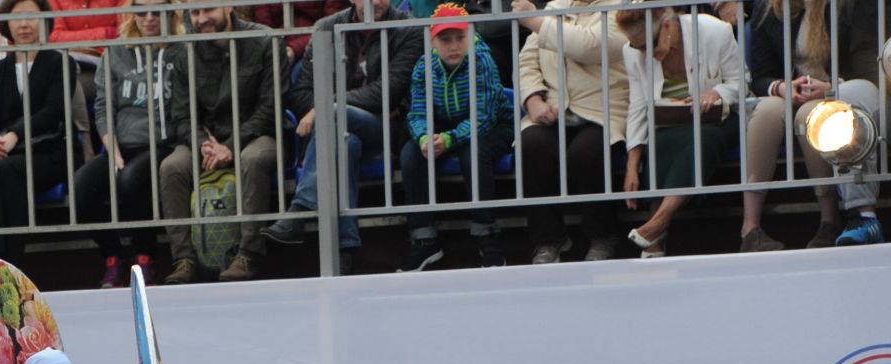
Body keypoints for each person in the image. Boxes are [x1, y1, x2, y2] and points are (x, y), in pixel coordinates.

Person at [267, 0, 421, 270]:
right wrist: (326, 110)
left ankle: (300, 209)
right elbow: (302, 93)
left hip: (385, 127)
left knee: (335, 114)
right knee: (344, 142)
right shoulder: (327, 28)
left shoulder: (406, 29)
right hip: (339, 129)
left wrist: (326, 108)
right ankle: (346, 248)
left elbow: (388, 92)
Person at [738, 0, 884, 250]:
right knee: (765, 113)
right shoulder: (768, 8)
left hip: (833, 90)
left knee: (809, 117)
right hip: (787, 92)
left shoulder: (846, 6)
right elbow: (761, 75)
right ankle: (750, 227)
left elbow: (861, 68)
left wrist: (829, 87)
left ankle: (828, 220)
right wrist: (781, 87)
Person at [157, 5, 280, 285]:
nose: (201, 20)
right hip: (206, 139)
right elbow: (182, 116)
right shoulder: (184, 51)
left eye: (208, 10)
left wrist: (231, 146)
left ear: (228, 6)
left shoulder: (263, 40)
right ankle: (184, 259)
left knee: (253, 158)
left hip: (256, 134)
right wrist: (204, 145)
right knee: (172, 166)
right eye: (195, 13)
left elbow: (270, 108)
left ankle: (248, 254)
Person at [615, 1, 743, 259]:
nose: (643, 53)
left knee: (700, 138)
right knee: (659, 142)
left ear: (666, 26)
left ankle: (659, 223)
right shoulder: (633, 54)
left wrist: (714, 92)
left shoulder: (714, 31)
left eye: (647, 44)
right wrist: (632, 164)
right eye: (636, 46)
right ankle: (655, 241)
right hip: (670, 123)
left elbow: (741, 83)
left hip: (717, 119)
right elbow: (639, 106)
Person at [511, 0, 629, 264]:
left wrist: (536, 20)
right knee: (531, 144)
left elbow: (590, 47)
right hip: (552, 106)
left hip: (603, 107)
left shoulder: (621, 7)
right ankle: (549, 239)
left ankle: (603, 235)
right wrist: (533, 100)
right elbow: (527, 62)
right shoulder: (555, 6)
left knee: (585, 154)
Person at [398, 3, 512, 271]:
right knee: (410, 153)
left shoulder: (483, 61)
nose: (453, 46)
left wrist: (448, 139)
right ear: (432, 40)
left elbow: (485, 116)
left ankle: (487, 236)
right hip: (447, 125)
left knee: (473, 152)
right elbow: (417, 114)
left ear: (470, 36)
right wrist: (425, 138)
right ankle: (424, 240)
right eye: (445, 39)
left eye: (460, 38)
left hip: (495, 125)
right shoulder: (423, 66)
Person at [74, 0, 177, 286]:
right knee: (82, 186)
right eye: (141, 11)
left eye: (156, 11)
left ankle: (145, 257)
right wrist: (113, 149)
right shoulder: (116, 51)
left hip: (164, 142)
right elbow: (103, 107)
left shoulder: (180, 48)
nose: (149, 18)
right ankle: (114, 255)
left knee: (131, 180)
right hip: (123, 144)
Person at [0, 0, 70, 256]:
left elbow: (53, 112)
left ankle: (7, 260)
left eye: (31, 16)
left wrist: (14, 135)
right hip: (4, 150)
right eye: (17, 17)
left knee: (8, 170)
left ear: (45, 20)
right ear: (7, 23)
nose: (24, 24)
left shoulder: (58, 62)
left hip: (47, 150)